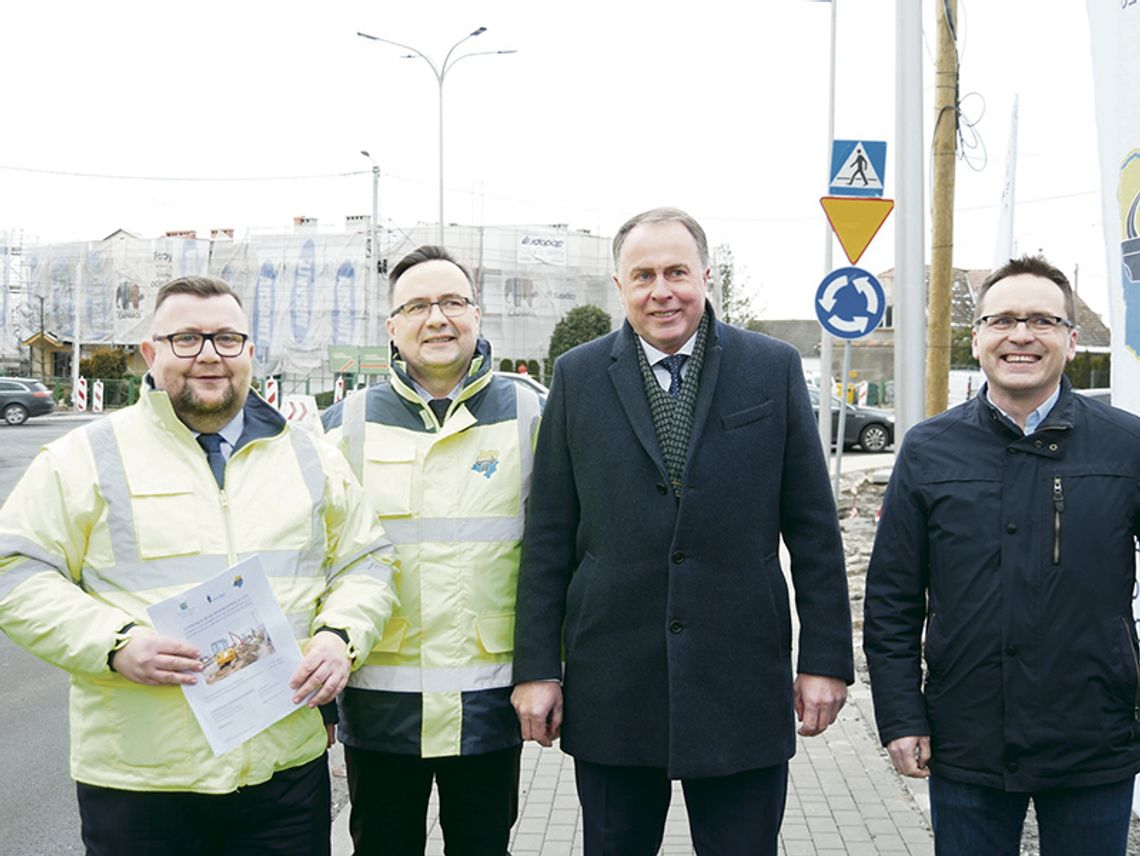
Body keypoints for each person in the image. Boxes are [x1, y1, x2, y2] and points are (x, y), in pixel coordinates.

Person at [0, 275, 398, 856]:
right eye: (186, 338)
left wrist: (341, 638)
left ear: (250, 354)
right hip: (141, 783)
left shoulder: (312, 456)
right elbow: (14, 569)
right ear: (150, 353)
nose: (209, 355)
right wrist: (114, 643)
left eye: (227, 339)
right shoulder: (82, 458)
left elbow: (367, 561)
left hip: (282, 774)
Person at [511, 207, 853, 854]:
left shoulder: (771, 370)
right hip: (612, 684)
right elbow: (549, 537)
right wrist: (536, 668)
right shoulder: (577, 378)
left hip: (740, 686)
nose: (661, 290)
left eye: (676, 272)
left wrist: (826, 661)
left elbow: (812, 530)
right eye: (643, 275)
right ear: (619, 287)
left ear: (707, 277)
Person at [863, 255, 1140, 855]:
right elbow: (892, 599)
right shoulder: (928, 450)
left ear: (1071, 339)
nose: (1021, 335)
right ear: (977, 336)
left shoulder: (1126, 445)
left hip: (1095, 737)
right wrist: (901, 715)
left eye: (1041, 320)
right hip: (967, 739)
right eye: (1003, 320)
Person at [322, 245, 543, 855]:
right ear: (391, 327)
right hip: (379, 708)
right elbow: (311, 558)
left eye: (452, 302)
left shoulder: (532, 413)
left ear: (478, 315)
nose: (437, 318)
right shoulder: (344, 425)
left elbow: (561, 554)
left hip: (491, 704)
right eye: (417, 306)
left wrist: (550, 672)